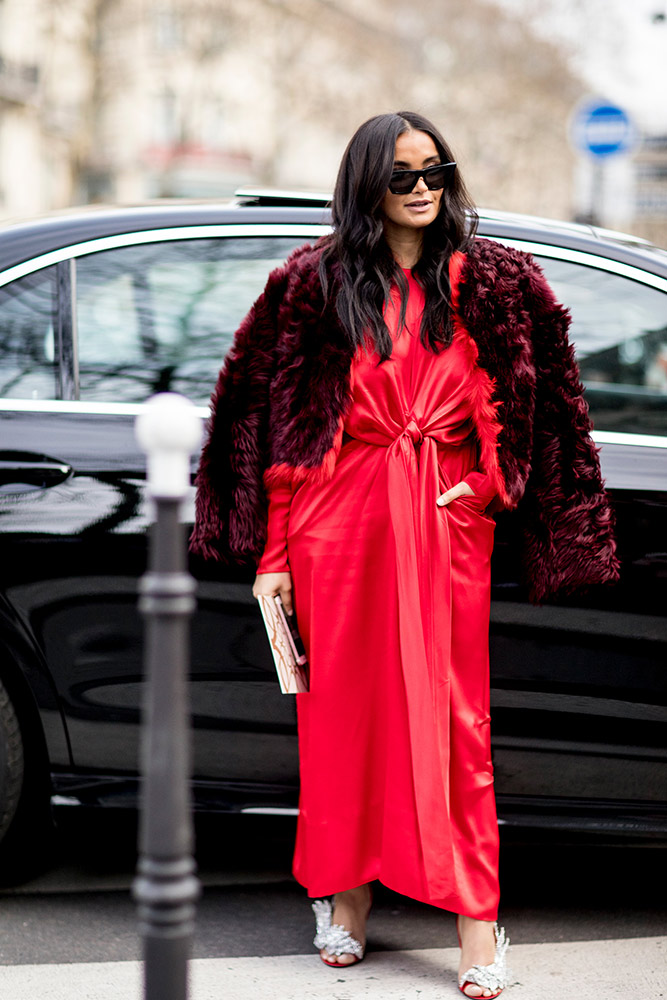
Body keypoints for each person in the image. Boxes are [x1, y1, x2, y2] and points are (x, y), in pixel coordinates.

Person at [191, 111, 620, 998]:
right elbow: (283, 430)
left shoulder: (497, 281)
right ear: (364, 188)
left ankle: (475, 916)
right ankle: (345, 898)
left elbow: (543, 411)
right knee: (341, 721)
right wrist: (273, 554)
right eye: (400, 176)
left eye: (434, 170)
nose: (422, 187)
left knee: (453, 723)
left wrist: (489, 489)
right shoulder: (314, 283)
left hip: (442, 516)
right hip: (334, 520)